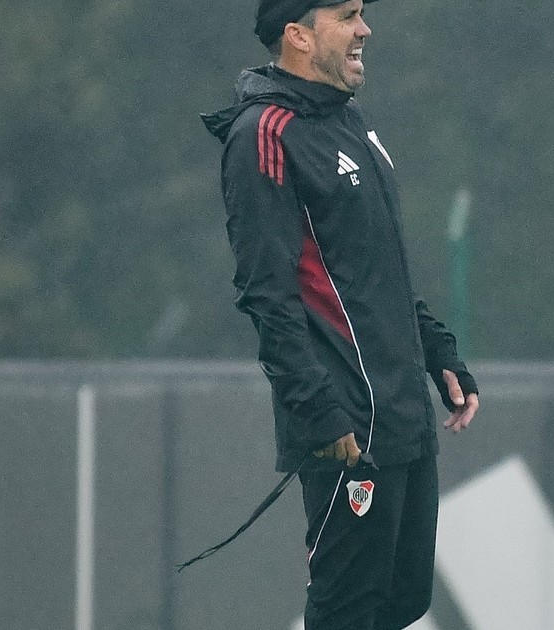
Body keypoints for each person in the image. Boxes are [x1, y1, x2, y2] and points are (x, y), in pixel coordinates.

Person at [200, 0, 479, 628]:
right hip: (345, 425)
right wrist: (318, 408)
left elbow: (374, 268)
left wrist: (437, 351)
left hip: (402, 412)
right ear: (298, 36)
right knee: (347, 613)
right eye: (348, 15)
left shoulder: (352, 119)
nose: (364, 29)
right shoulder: (264, 134)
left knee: (404, 602)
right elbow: (266, 293)